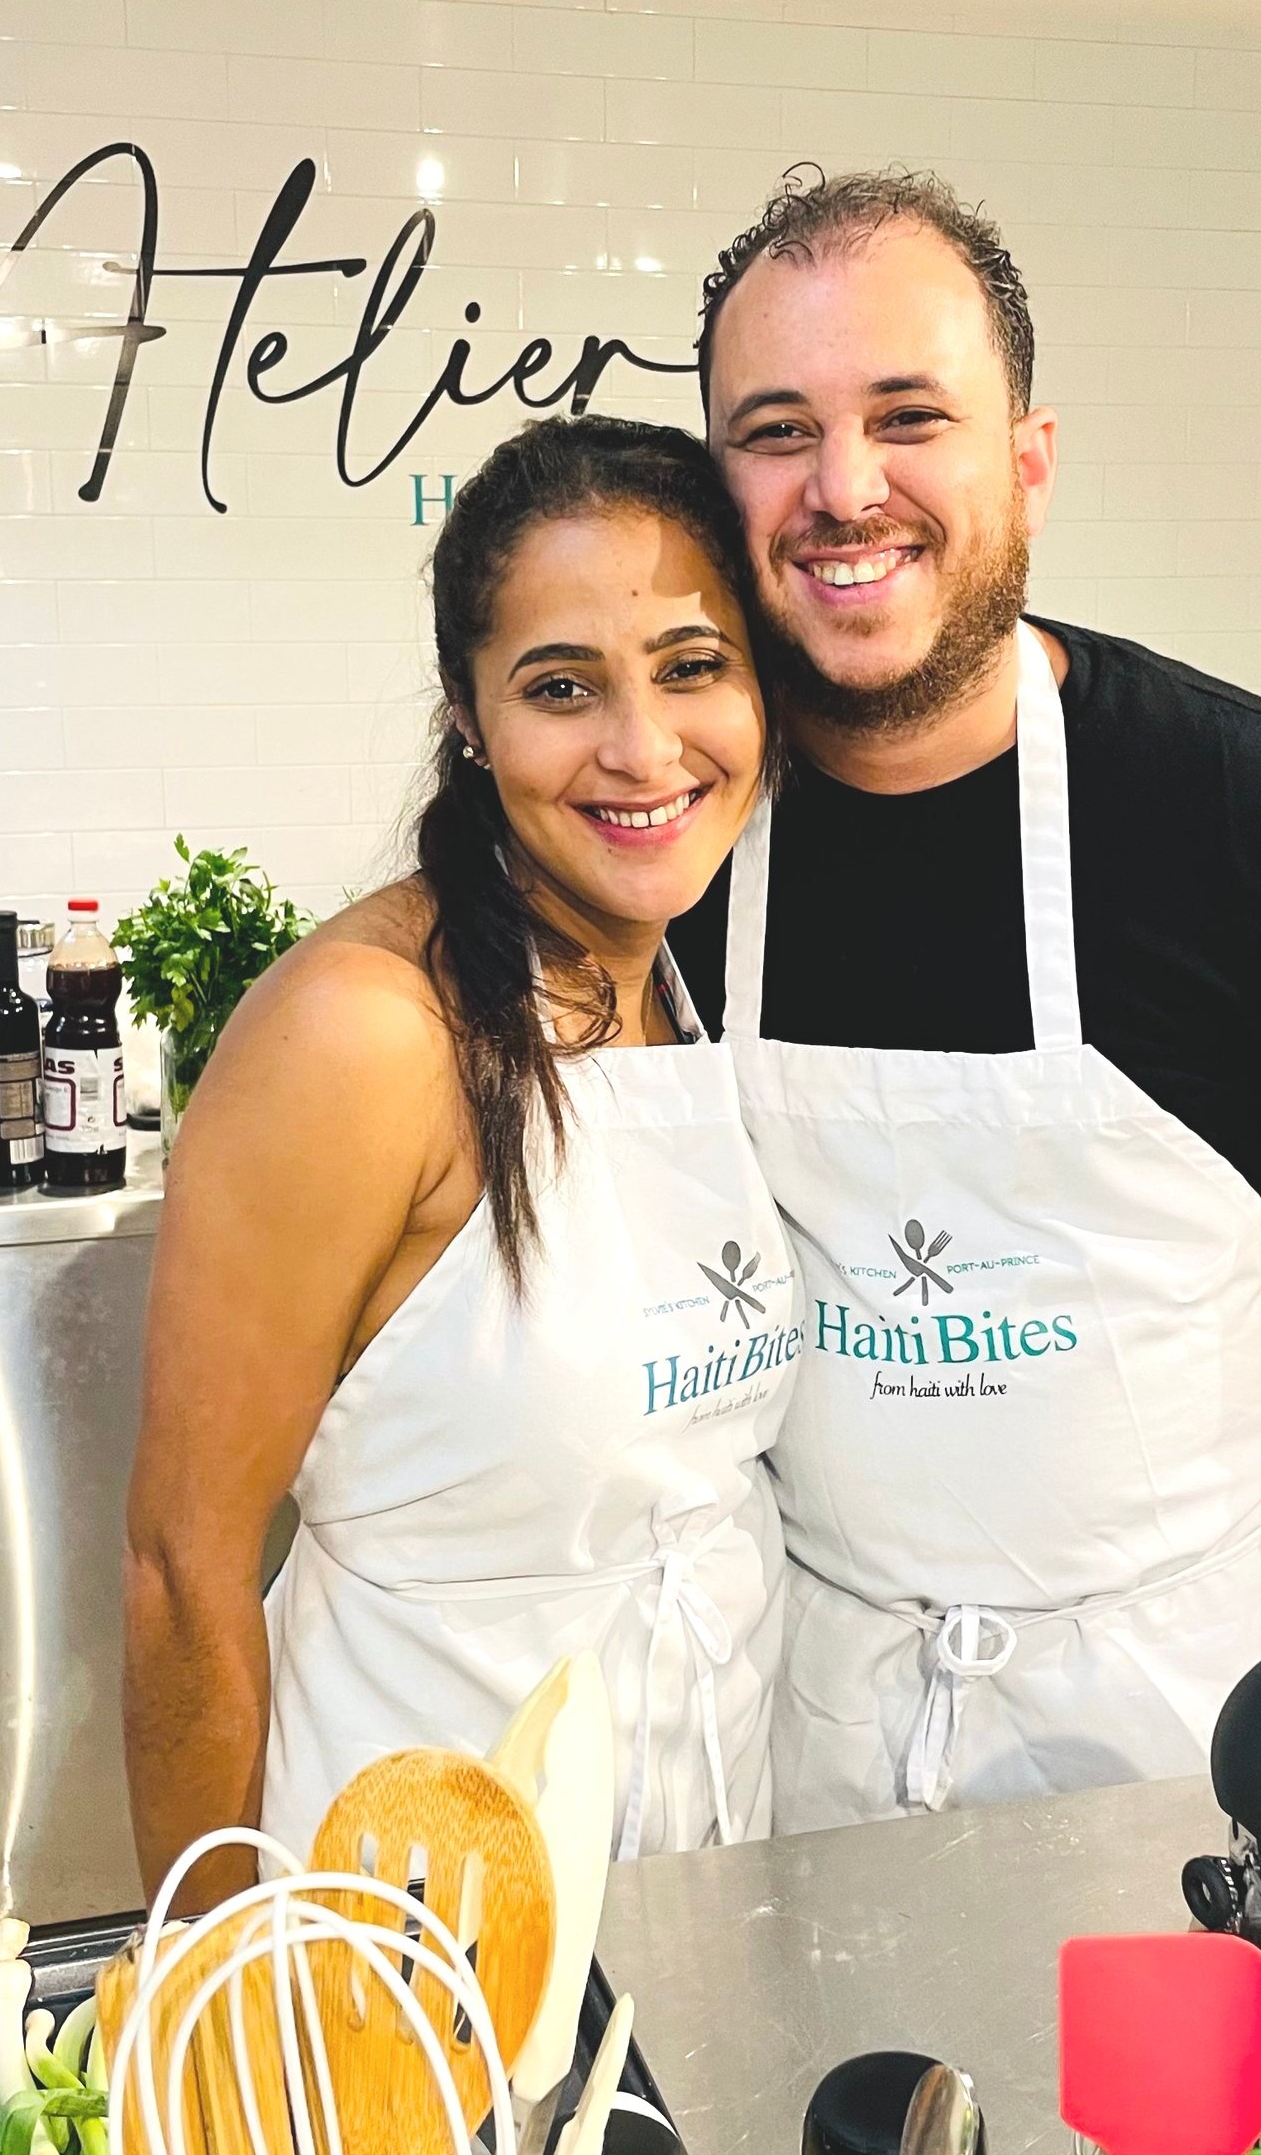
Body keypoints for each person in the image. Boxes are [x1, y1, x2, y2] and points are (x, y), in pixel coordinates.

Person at [667, 166, 1261, 1828]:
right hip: (808, 1709)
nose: (843, 486)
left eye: (909, 415)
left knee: (1179, 2103)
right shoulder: (673, 831)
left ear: (1028, 458)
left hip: (1186, 1724)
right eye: (776, 430)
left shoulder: (1249, 807)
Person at [123, 416, 801, 1912]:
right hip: (403, 1945)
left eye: (693, 665)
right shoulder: (365, 1038)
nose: (642, 748)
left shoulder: (684, 986)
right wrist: (213, 1992)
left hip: (698, 1894)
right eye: (562, 688)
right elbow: (184, 1578)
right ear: (471, 718)